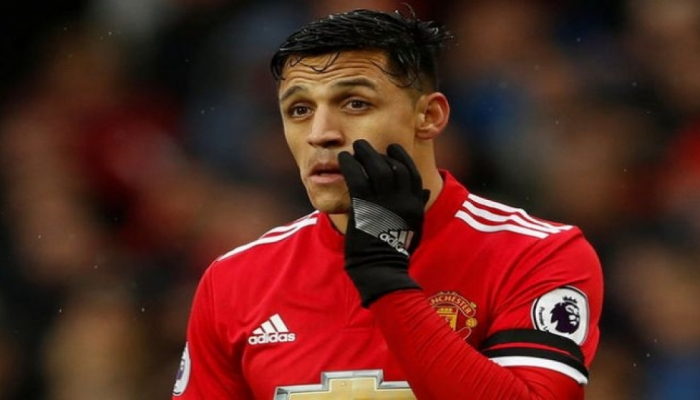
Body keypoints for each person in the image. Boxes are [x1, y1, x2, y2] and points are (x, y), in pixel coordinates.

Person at [172, 8, 603, 399]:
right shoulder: (234, 281)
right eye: (299, 110)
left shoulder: (536, 254)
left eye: (355, 103)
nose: (321, 133)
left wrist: (385, 283)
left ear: (429, 117)